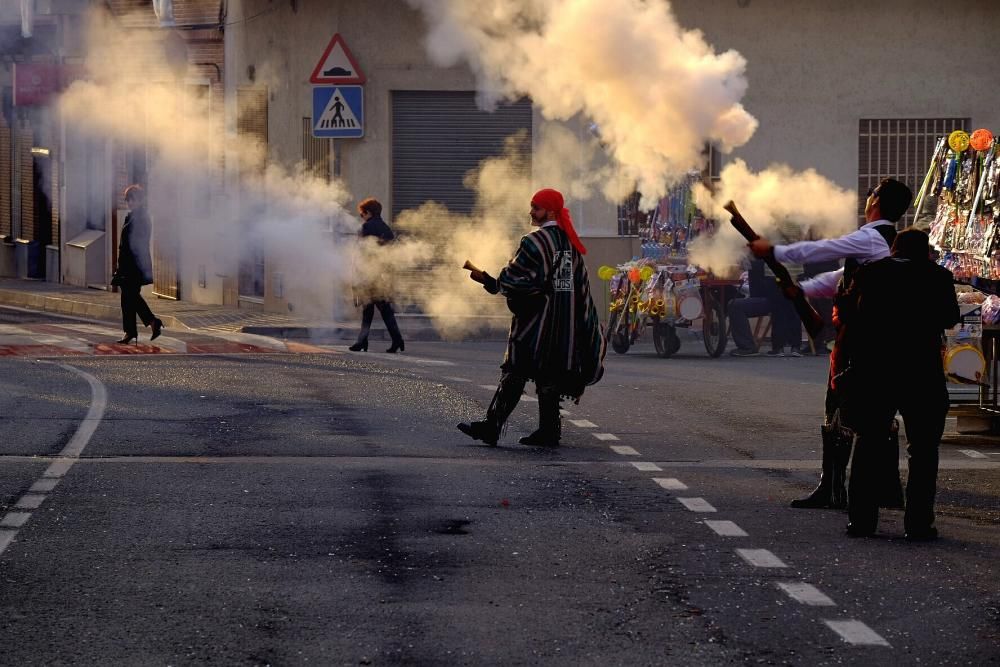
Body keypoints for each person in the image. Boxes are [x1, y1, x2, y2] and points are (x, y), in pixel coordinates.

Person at [750, 178, 911, 509]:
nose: (867, 198)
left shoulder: (869, 237)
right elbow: (843, 277)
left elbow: (825, 249)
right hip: (877, 340)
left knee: (842, 411)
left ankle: (839, 489)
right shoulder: (886, 241)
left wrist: (775, 251)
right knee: (865, 413)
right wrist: (804, 290)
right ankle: (861, 488)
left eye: (872, 194)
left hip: (859, 341)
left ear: (876, 202)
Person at [457, 188, 606, 447]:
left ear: (549, 211)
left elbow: (514, 280)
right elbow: (578, 287)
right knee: (549, 377)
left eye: (536, 208)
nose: (531, 212)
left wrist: (491, 282)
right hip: (564, 327)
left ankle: (492, 427)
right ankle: (548, 432)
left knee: (515, 372)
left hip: (536, 325)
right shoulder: (569, 242)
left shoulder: (534, 241)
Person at [836, 228, 959, 539]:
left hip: (876, 369)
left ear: (893, 249)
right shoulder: (939, 276)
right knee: (924, 449)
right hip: (922, 370)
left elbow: (847, 314)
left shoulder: (870, 273)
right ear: (926, 251)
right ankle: (919, 524)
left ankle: (861, 521)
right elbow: (949, 318)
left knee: (869, 442)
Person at [349, 197, 405, 354]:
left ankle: (364, 341)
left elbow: (359, 253)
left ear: (369, 213)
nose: (362, 216)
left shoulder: (366, 227)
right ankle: (392, 340)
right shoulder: (386, 228)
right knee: (378, 310)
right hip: (381, 276)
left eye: (362, 213)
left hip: (368, 274)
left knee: (372, 309)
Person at [112, 185, 162, 345]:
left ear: (140, 200)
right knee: (128, 297)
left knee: (130, 296)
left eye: (132, 200)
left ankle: (146, 324)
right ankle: (134, 330)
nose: (130, 203)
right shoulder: (133, 216)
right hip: (129, 265)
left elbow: (137, 244)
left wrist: (127, 265)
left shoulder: (141, 217)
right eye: (128, 200)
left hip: (134, 265)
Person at [728, 258, 803, 357]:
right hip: (787, 298)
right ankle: (793, 347)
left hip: (770, 299)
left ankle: (747, 347)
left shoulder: (759, 261)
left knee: (734, 305)